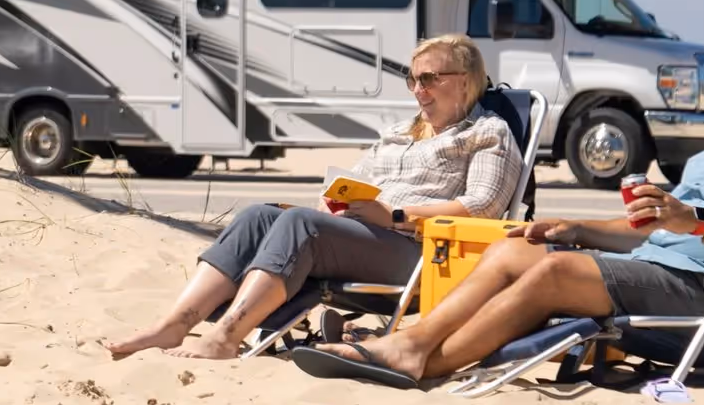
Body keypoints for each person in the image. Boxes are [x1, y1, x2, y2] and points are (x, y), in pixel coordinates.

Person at [291, 36, 704, 390]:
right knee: (518, 245)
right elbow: (644, 234)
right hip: (661, 277)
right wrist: (576, 229)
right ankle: (413, 345)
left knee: (560, 273)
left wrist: (696, 221)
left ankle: (423, 359)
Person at [107, 35, 522, 360]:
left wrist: (393, 215)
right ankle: (175, 324)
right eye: (411, 78)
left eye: (429, 78)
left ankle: (225, 337)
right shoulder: (401, 132)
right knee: (258, 215)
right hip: (362, 236)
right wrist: (336, 200)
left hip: (420, 252)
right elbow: (355, 179)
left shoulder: (488, 133)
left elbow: (483, 207)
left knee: (299, 225)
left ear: (465, 81)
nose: (417, 89)